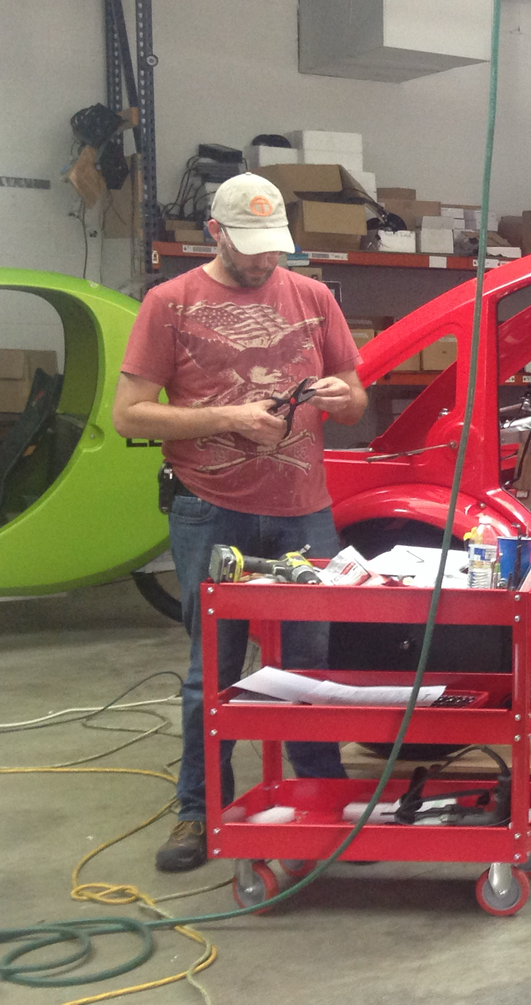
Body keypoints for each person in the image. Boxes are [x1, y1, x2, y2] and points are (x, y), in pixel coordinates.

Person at [111, 173, 369, 872]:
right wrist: (230, 417)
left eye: (274, 246)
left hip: (303, 509)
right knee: (213, 673)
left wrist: (341, 397)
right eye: (250, 246)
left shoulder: (313, 297)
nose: (264, 260)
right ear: (215, 233)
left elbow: (356, 398)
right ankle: (200, 812)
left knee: (310, 666)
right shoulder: (170, 303)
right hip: (210, 508)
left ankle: (322, 800)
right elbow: (128, 415)